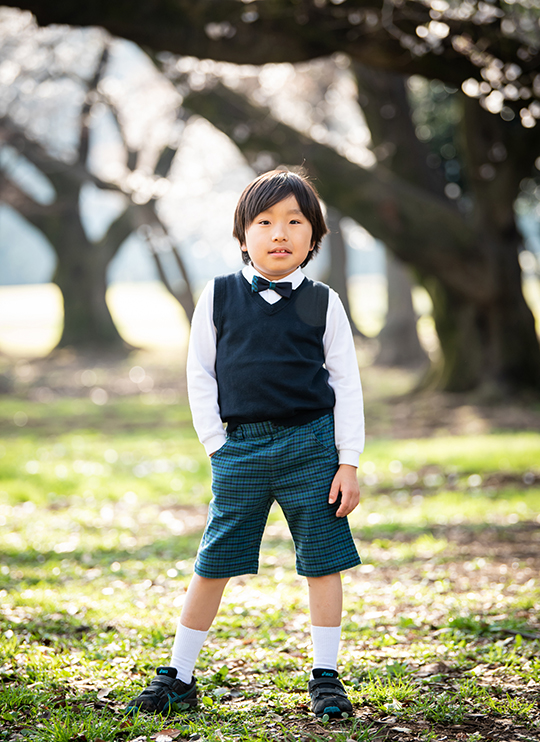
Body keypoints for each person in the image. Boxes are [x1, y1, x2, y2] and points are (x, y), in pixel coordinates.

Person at [126, 169, 364, 720]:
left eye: (294, 222)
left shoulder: (324, 303)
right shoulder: (219, 295)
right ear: (243, 234)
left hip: (313, 449)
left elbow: (347, 384)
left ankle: (326, 676)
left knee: (323, 561)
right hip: (241, 450)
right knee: (215, 561)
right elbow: (200, 374)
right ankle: (179, 674)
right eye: (265, 222)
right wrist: (216, 445)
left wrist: (347, 462)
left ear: (313, 237)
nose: (279, 233)